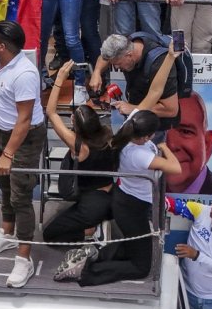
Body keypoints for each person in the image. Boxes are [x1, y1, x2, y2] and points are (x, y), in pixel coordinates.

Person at [64, 110, 180, 285]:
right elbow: (176, 168)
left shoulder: (127, 132)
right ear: (147, 137)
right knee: (142, 267)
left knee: (134, 246)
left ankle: (93, 255)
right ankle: (87, 272)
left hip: (126, 201)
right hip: (132, 209)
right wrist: (164, 147)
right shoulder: (139, 155)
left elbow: (142, 106)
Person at [0, 20, 45, 288]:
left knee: (20, 197)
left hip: (24, 139)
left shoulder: (25, 74)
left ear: (2, 46)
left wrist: (8, 153)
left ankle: (23, 258)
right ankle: (7, 231)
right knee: (3, 185)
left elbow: (25, 119)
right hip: (2, 133)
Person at [41, 61, 116, 249]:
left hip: (92, 201)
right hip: (111, 192)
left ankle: (90, 232)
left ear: (77, 129)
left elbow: (51, 112)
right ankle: (95, 225)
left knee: (50, 235)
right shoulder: (109, 135)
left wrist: (59, 78)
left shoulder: (79, 146)